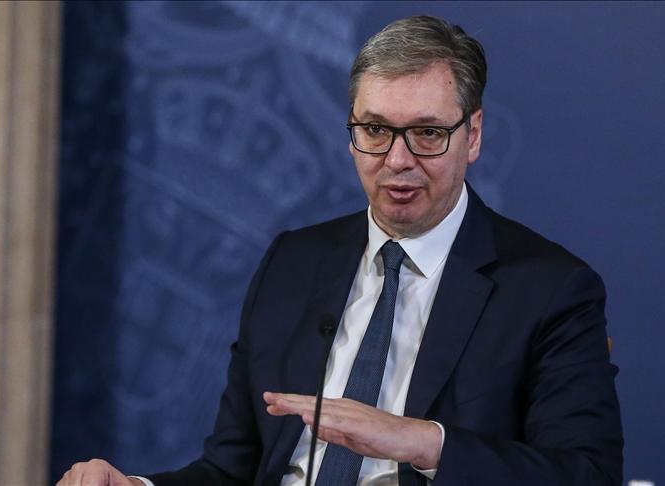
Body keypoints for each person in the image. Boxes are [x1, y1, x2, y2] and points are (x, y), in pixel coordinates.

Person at [58, 15, 623, 486]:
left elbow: (587, 473)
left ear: (471, 135)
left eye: (427, 134)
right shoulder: (293, 262)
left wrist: (423, 442)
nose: (397, 160)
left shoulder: (549, 289)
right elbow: (232, 471)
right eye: (375, 130)